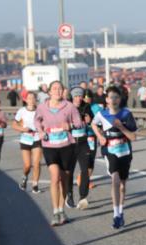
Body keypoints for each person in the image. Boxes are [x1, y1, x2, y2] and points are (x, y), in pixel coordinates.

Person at [35, 81, 85, 226]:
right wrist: (40, 131)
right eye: (54, 88)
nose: (57, 91)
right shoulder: (42, 107)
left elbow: (79, 123)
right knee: (55, 176)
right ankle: (55, 211)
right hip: (49, 145)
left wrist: (70, 125)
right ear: (49, 92)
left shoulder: (69, 106)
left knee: (64, 180)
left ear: (63, 91)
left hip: (66, 146)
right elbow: (36, 121)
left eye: (60, 88)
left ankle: (61, 210)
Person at [93, 86, 138, 229]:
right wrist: (100, 136)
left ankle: (121, 211)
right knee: (115, 179)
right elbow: (93, 124)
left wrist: (121, 127)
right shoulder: (101, 114)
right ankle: (116, 215)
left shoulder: (126, 114)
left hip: (125, 151)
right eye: (111, 97)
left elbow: (133, 137)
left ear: (120, 99)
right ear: (106, 100)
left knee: (122, 185)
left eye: (116, 97)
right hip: (110, 151)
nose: (113, 100)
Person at [67, 87, 92, 210]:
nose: (78, 99)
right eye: (76, 96)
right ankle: (69, 195)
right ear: (72, 97)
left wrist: (89, 120)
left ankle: (83, 197)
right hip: (70, 142)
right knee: (69, 171)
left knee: (85, 170)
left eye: (80, 96)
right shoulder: (66, 107)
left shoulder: (86, 107)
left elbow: (92, 121)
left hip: (83, 141)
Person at [13, 91, 43, 193]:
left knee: (36, 163)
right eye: (29, 98)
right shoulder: (21, 111)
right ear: (25, 100)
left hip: (37, 138)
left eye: (33, 98)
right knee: (27, 165)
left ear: (35, 100)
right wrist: (23, 129)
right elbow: (14, 125)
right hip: (25, 139)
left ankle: (35, 185)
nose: (31, 100)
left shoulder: (40, 110)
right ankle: (24, 176)